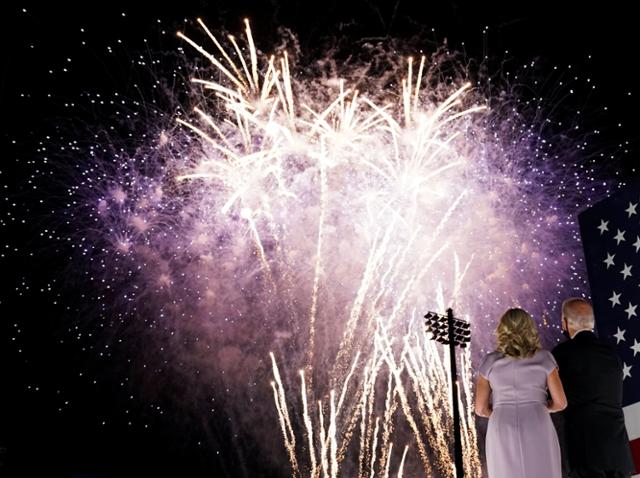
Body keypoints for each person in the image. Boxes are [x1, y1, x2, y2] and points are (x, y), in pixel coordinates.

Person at [475, 308, 567, 478]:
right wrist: (541, 407)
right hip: (536, 418)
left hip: (501, 422)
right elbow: (561, 402)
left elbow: (480, 408)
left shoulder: (490, 362)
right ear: (530, 329)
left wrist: (499, 411)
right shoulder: (545, 358)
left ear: (502, 330)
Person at [552, 298, 635, 478]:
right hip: (618, 453)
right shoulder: (612, 354)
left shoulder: (561, 355)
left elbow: (551, 397)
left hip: (586, 453)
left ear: (565, 323)